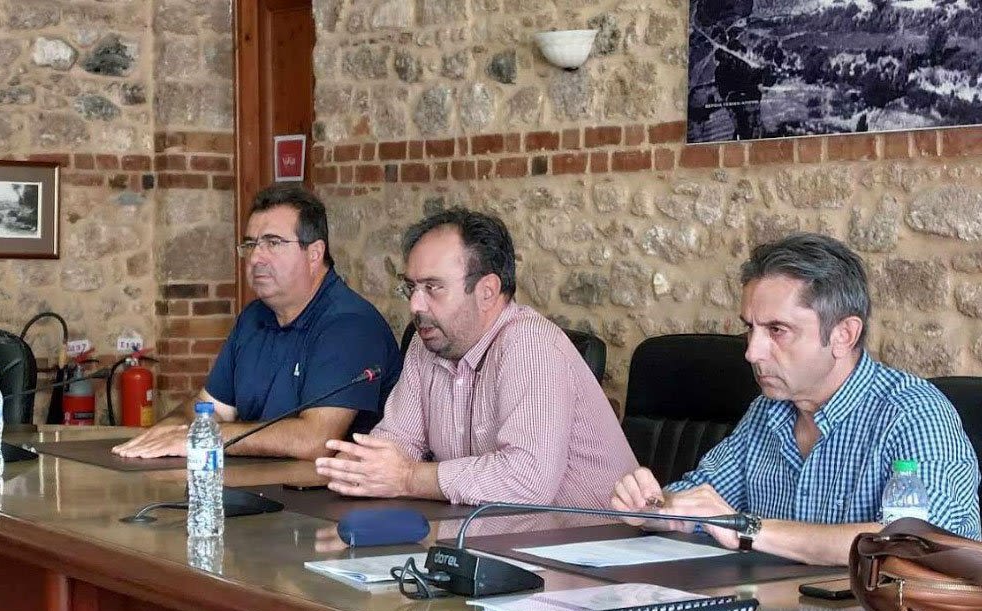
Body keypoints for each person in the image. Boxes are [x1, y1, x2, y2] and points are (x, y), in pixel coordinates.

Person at [609, 233, 981, 565]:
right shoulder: (767, 410)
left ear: (844, 335)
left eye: (777, 330)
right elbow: (705, 498)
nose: (752, 352)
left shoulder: (913, 413)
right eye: (750, 328)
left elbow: (919, 542)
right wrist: (656, 507)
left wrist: (749, 529)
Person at [314, 208, 637, 509]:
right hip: (491, 538)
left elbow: (527, 479)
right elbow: (397, 442)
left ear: (487, 291)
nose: (415, 305)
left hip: (589, 542)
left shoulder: (530, 344)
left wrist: (408, 477)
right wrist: (363, 467)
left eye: (432, 287)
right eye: (411, 288)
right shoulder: (427, 345)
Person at [113, 185, 401, 461]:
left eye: (273, 243)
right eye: (250, 244)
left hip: (326, 492)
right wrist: (170, 428)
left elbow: (314, 440)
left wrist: (204, 437)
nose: (255, 257)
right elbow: (213, 409)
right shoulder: (254, 317)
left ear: (314, 253)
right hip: (258, 483)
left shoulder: (349, 325)